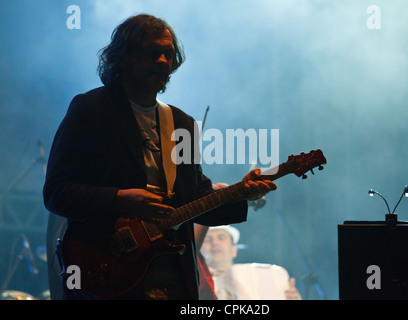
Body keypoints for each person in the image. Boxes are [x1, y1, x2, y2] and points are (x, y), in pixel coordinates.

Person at [42, 14, 276, 300]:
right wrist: (119, 198)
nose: (164, 62)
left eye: (169, 54)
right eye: (153, 53)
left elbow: (195, 200)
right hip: (108, 266)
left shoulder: (182, 123)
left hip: (172, 272)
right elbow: (56, 192)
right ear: (124, 58)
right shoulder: (91, 109)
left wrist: (242, 195)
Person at [198, 224, 302, 300]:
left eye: (221, 238)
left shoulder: (266, 273)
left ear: (234, 250)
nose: (215, 243)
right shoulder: (194, 283)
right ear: (198, 249)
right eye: (207, 239)